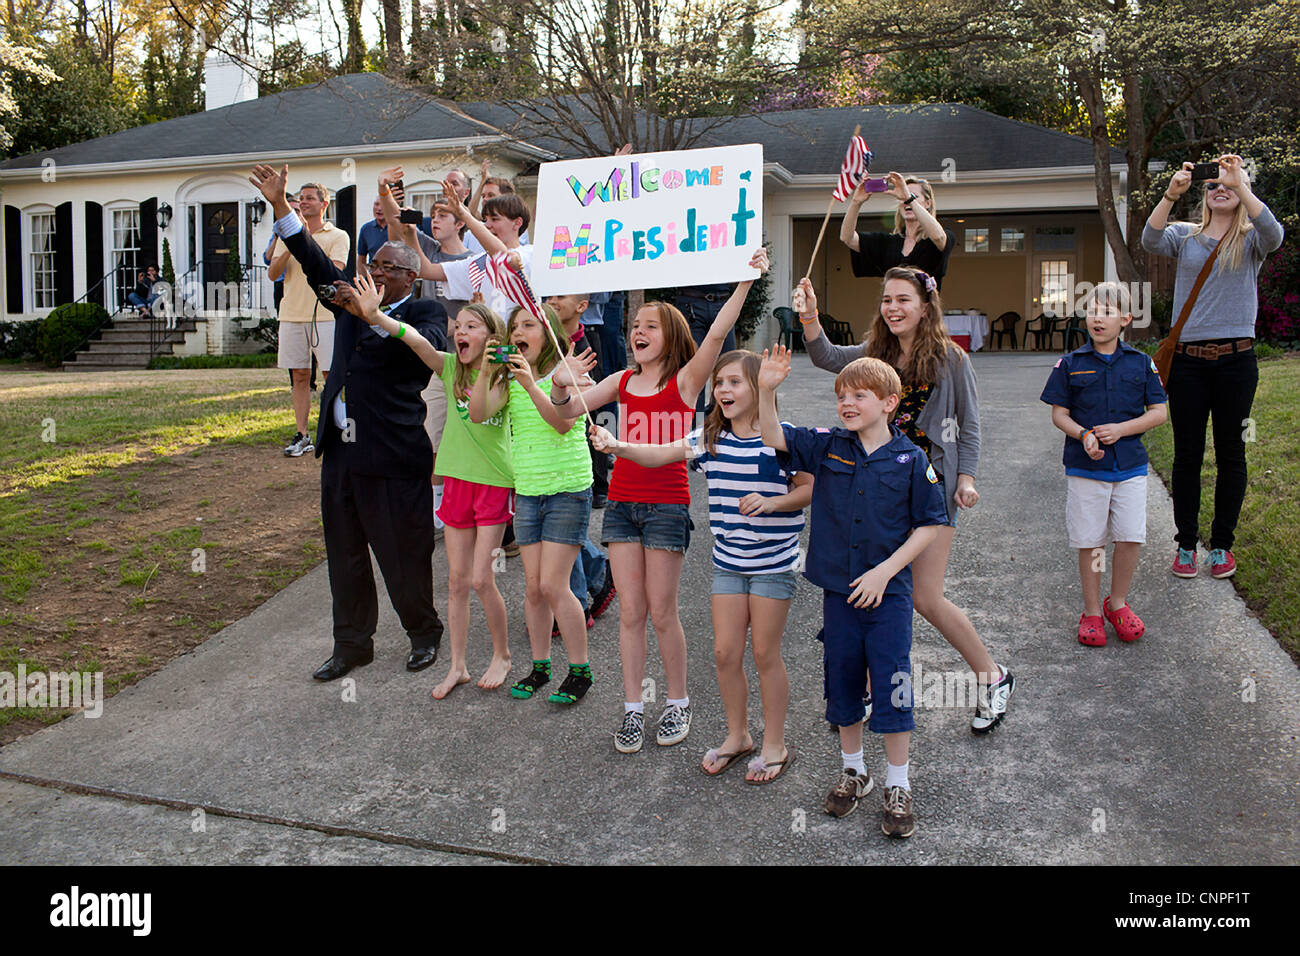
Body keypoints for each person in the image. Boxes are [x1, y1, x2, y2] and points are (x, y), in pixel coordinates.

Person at [551, 248, 770, 754]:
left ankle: (677, 701)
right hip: (623, 507)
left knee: (662, 611)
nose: (638, 331)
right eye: (635, 325)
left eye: (650, 325)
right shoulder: (622, 381)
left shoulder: (686, 380)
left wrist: (742, 283)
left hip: (667, 507)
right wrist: (561, 388)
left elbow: (716, 335)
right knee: (631, 614)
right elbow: (563, 417)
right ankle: (632, 709)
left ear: (669, 335)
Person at [249, 162, 446, 681]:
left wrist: (374, 315)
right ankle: (352, 644)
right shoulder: (347, 301)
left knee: (403, 553)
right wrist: (282, 208)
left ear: (409, 276)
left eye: (387, 268)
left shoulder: (425, 316)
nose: (375, 273)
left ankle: (423, 633)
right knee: (345, 555)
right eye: (373, 264)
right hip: (341, 451)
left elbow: (420, 356)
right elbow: (314, 263)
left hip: (393, 454)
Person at [799, 267, 1015, 733]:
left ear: (925, 306)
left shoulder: (952, 359)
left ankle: (993, 676)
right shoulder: (875, 354)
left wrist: (968, 478)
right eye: (887, 300)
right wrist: (811, 315)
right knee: (870, 589)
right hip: (874, 488)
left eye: (904, 300)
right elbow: (826, 356)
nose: (893, 308)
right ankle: (876, 694)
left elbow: (969, 424)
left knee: (923, 595)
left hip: (929, 486)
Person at [590, 350, 811, 783]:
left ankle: (775, 744)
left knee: (765, 654)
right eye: (720, 383)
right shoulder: (709, 439)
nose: (724, 390)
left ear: (760, 387)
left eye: (735, 382)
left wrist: (774, 503)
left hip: (772, 564)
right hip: (728, 565)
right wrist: (617, 446)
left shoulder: (783, 439)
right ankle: (737, 736)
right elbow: (658, 453)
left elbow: (809, 488)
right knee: (725, 653)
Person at [758, 346, 949, 838]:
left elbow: (928, 526)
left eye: (858, 395)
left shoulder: (912, 458)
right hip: (839, 594)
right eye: (841, 395)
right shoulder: (828, 446)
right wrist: (766, 390)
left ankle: (898, 783)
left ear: (889, 402)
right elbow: (773, 435)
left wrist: (886, 571)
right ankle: (854, 770)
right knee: (842, 679)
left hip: (889, 597)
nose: (846, 403)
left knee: (893, 682)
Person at [348, 276, 515, 696]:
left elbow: (478, 414)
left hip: (493, 482)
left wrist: (492, 363)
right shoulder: (449, 365)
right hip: (457, 479)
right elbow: (415, 340)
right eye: (458, 325)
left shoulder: (503, 378)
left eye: (471, 326)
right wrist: (376, 316)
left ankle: (503, 654)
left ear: (492, 337)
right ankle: (457, 665)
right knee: (456, 582)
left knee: (481, 579)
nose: (460, 331)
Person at [1142, 153, 1284, 580]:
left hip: (1237, 363)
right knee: (1187, 455)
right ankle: (1186, 544)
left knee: (1231, 453)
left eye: (1228, 185)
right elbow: (1150, 240)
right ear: (1202, 194)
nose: (1219, 189)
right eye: (1213, 185)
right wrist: (1171, 194)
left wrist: (1241, 182)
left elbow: (1275, 234)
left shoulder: (1251, 238)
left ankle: (1221, 545)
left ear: (1240, 191)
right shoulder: (1186, 235)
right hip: (1188, 363)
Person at [468, 305, 598, 705]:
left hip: (567, 489)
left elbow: (561, 424)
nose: (518, 331)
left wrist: (531, 384)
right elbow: (477, 414)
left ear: (548, 332)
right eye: (514, 327)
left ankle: (580, 670)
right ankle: (540, 667)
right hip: (527, 490)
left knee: (553, 585)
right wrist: (489, 371)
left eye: (529, 325)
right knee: (532, 588)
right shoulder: (508, 376)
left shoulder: (568, 371)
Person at [1040, 283, 1168, 645]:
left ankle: (1118, 603)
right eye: (1093, 310)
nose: (1098, 317)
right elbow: (1059, 414)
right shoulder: (1071, 364)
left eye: (1108, 311)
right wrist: (1084, 435)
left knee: (1129, 537)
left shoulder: (1141, 363)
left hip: (1129, 467)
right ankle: (1093, 611)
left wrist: (1121, 430)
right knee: (1092, 541)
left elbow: (1158, 413)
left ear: (1125, 319)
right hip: (1086, 470)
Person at [543, 292, 616, 622]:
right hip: (535, 454)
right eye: (550, 295)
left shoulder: (584, 349)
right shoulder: (541, 341)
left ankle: (571, 605)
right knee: (558, 530)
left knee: (559, 529)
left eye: (561, 295)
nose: (553, 300)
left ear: (583, 306)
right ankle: (600, 572)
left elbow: (575, 414)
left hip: (568, 455)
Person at [267, 181, 351, 458]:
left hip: (325, 315)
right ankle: (302, 435)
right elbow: (273, 273)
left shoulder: (338, 235)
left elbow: (334, 272)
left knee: (331, 375)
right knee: (299, 376)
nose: (303, 202)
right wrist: (294, 242)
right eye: (301, 198)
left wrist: (306, 241)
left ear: (324, 204)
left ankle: (335, 431)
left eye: (310, 198)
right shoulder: (286, 232)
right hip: (291, 313)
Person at [839, 173, 955, 290]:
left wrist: (909, 199)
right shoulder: (889, 243)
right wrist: (856, 202)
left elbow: (939, 238)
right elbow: (847, 238)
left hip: (924, 307)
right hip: (894, 307)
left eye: (913, 196)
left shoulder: (936, 240)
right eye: (902, 197)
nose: (906, 201)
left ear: (928, 203)